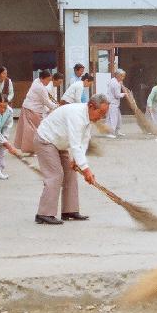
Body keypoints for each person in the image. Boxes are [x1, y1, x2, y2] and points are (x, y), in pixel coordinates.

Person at [33, 94, 110, 225]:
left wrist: (76, 161)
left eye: (104, 114)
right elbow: (75, 144)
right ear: (91, 106)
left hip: (59, 143)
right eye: (101, 112)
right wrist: (86, 170)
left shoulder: (88, 118)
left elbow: (84, 141)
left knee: (71, 173)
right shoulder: (77, 115)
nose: (101, 117)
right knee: (55, 175)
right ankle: (44, 214)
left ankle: (69, 211)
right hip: (46, 140)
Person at [15, 70, 59, 153]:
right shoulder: (40, 88)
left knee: (32, 130)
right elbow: (46, 102)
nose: (49, 82)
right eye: (48, 80)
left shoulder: (37, 81)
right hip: (32, 109)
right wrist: (57, 106)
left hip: (31, 108)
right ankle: (33, 149)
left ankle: (33, 149)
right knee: (34, 130)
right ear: (42, 78)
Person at [106, 69, 127, 137]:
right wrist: (124, 94)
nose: (123, 78)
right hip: (112, 103)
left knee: (118, 119)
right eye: (122, 76)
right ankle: (110, 133)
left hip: (115, 104)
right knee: (112, 119)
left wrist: (121, 85)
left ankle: (117, 131)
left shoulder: (115, 81)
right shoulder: (115, 83)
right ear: (118, 76)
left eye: (123, 76)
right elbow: (117, 95)